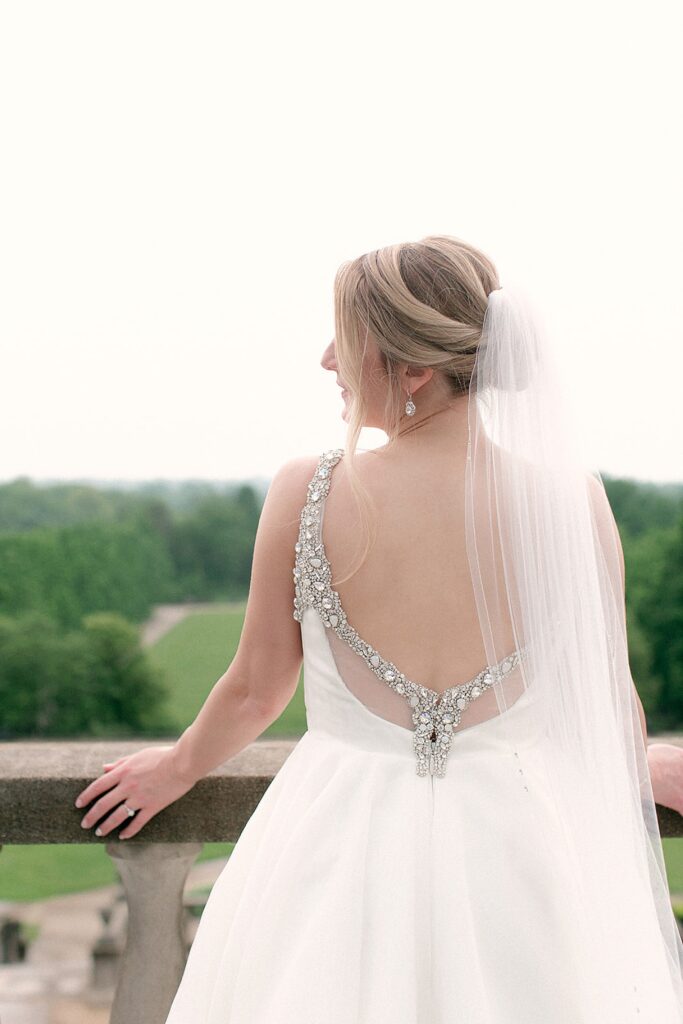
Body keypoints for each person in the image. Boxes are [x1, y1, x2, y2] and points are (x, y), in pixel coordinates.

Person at [75, 235, 683, 1021]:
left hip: (339, 845)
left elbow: (256, 688)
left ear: (414, 369)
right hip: (518, 851)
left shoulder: (309, 489)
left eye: (346, 338)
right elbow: (604, 700)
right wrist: (636, 759)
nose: (327, 359)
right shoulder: (571, 503)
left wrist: (177, 769)